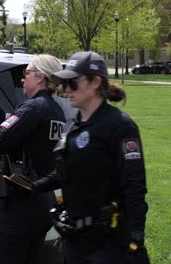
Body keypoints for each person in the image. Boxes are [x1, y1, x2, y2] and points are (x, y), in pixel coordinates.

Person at [32, 51, 149, 264]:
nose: (66, 90)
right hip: (76, 242)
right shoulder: (76, 125)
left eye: (73, 83)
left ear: (95, 82)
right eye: (64, 83)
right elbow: (65, 172)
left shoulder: (120, 126)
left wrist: (135, 238)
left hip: (109, 245)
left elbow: (135, 186)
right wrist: (31, 187)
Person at [0, 54, 67, 264]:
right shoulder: (55, 109)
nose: (22, 79)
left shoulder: (34, 107)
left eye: (26, 73)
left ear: (40, 77)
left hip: (20, 205)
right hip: (42, 202)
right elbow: (14, 126)